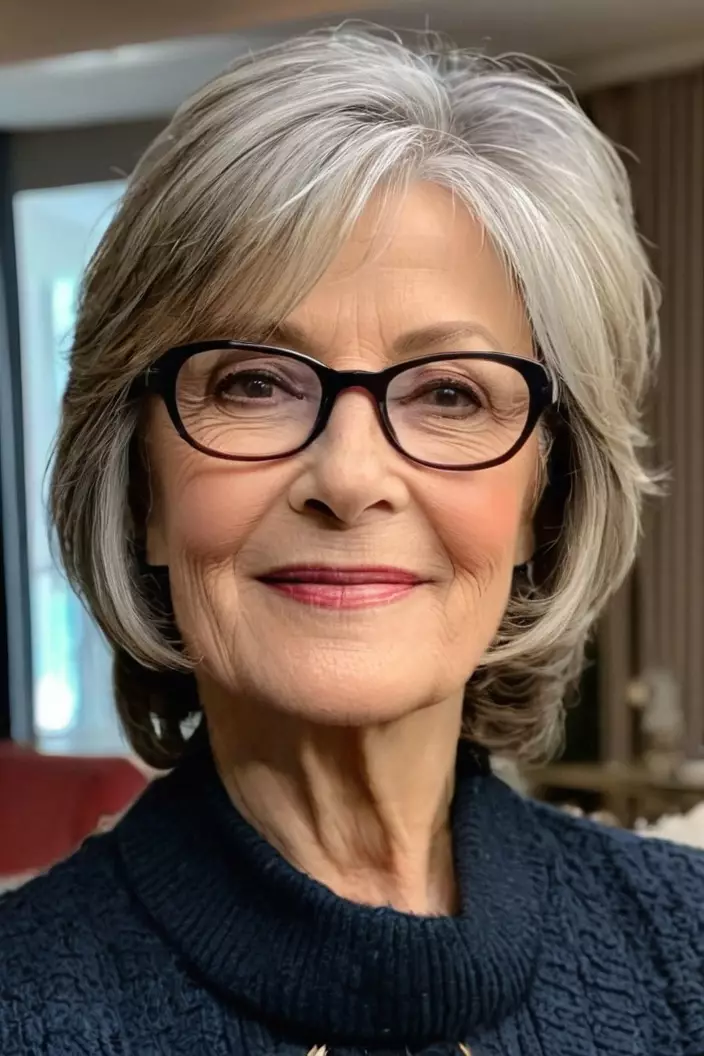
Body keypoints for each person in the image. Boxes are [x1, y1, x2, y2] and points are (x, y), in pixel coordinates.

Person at [1, 25, 703, 1056]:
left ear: (542, 502)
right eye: (253, 382)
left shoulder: (687, 948)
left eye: (450, 394)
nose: (349, 476)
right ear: (142, 487)